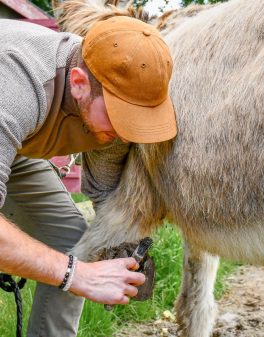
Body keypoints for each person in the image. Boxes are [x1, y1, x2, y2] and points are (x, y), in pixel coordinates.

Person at [0, 15, 177, 337]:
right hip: (9, 120)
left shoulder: (114, 119)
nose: (128, 130)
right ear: (79, 83)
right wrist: (77, 276)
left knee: (72, 243)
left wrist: (120, 244)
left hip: (17, 149)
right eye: (120, 115)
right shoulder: (15, 84)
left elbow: (105, 188)